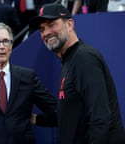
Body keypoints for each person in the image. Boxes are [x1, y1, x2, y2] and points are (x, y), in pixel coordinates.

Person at [29, 3, 125, 144]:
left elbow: (100, 116)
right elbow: (70, 115)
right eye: (42, 29)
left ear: (69, 24)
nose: (46, 32)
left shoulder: (83, 58)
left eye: (51, 24)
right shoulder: (69, 61)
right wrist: (35, 119)